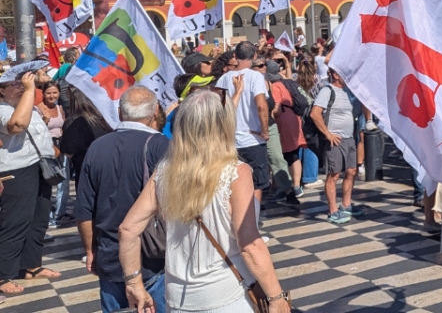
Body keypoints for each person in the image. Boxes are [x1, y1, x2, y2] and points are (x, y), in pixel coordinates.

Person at [118, 91, 291, 313]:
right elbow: (249, 244)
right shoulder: (236, 172)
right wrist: (276, 296)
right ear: (225, 125)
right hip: (228, 296)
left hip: (178, 298)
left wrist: (133, 283)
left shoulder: (165, 170)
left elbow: (128, 229)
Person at [74, 88, 169, 313]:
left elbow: (84, 210)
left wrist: (90, 250)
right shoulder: (162, 145)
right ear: (155, 111)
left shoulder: (97, 147)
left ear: (119, 112)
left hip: (110, 256)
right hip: (151, 258)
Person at [0, 71, 61, 296]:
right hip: (15, 169)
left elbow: (46, 80)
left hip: (39, 165)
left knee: (39, 218)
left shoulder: (28, 102)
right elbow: (16, 125)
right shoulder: (3, 109)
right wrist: (27, 90)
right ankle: (3, 274)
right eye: (12, 84)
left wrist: (36, 78)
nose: (18, 86)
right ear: (1, 90)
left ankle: (31, 265)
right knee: (15, 222)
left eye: (20, 82)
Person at [306, 68, 364, 224]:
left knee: (351, 171)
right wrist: (328, 134)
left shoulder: (349, 92)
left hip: (349, 138)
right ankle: (333, 211)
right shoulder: (327, 91)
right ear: (336, 75)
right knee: (334, 174)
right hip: (334, 140)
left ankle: (346, 205)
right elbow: (314, 113)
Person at [215, 41, 270, 203]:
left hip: (230, 141)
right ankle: (252, 219)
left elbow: (219, 109)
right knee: (256, 185)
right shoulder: (256, 77)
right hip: (253, 140)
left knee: (232, 183)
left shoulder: (224, 79)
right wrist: (265, 132)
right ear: (254, 56)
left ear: (235, 56)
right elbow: (261, 105)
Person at [265, 60, 304, 205]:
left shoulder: (274, 86)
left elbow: (276, 108)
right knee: (294, 153)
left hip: (283, 122)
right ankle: (296, 186)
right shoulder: (286, 82)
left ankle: (284, 188)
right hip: (293, 119)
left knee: (282, 156)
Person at [61, 90, 114, 189]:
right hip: (107, 164)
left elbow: (68, 150)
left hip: (84, 168)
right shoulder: (103, 119)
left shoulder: (73, 122)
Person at [38, 82, 68, 228]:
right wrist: (44, 121)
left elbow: (62, 127)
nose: (52, 96)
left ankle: (60, 213)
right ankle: (48, 216)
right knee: (48, 182)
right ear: (43, 93)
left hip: (60, 146)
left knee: (63, 182)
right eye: (49, 93)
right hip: (46, 148)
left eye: (55, 93)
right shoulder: (37, 109)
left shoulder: (60, 107)